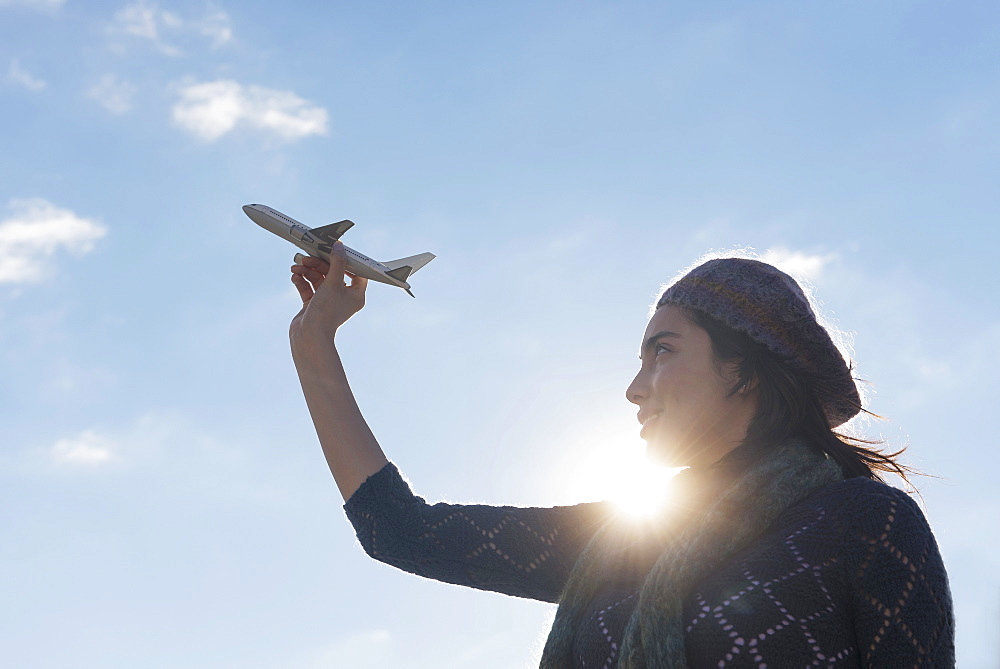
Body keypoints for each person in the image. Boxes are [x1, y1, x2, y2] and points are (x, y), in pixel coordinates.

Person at [289, 244, 955, 667]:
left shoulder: (866, 521)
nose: (634, 388)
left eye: (662, 350)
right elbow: (401, 529)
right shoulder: (625, 539)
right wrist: (314, 344)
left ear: (744, 370)